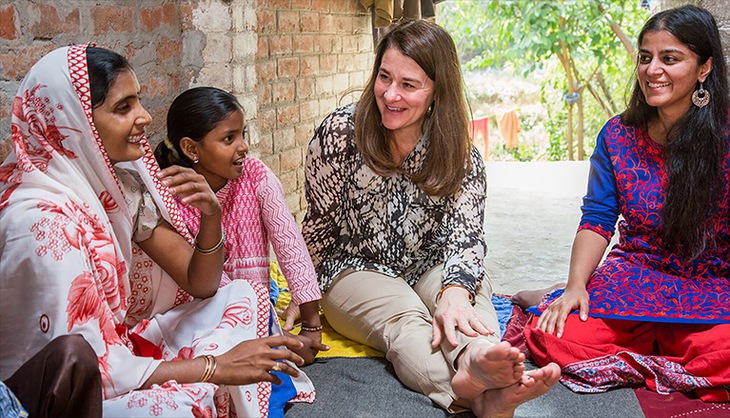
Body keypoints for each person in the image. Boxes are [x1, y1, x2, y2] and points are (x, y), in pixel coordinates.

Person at [0, 45, 315, 417]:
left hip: (119, 350)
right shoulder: (44, 223)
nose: (145, 117)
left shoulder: (120, 191)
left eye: (138, 102)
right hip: (75, 392)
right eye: (124, 107)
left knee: (242, 294)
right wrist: (215, 366)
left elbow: (201, 284)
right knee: (179, 405)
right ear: (76, 121)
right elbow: (82, 371)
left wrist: (211, 218)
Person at [302, 19, 560, 417]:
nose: (390, 94)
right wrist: (303, 293)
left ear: (438, 91)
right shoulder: (339, 133)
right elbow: (319, 222)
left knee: (468, 314)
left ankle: (477, 360)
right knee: (407, 322)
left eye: (409, 84)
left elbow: (466, 237)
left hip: (435, 262)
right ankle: (474, 395)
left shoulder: (460, 154)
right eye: (384, 77)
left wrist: (453, 294)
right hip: (355, 267)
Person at [521, 5, 730, 402]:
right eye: (646, 57)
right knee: (555, 335)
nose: (653, 70)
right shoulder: (618, 135)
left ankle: (649, 349)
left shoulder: (726, 135)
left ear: (704, 68)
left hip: (709, 284)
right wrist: (576, 286)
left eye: (670, 59)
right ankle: (660, 352)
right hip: (634, 277)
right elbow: (597, 218)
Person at [154, 87, 328, 364]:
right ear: (191, 148)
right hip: (201, 312)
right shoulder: (171, 196)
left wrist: (311, 326)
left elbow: (290, 246)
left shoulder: (255, 175)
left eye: (242, 135)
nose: (243, 146)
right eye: (228, 138)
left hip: (254, 307)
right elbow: (200, 283)